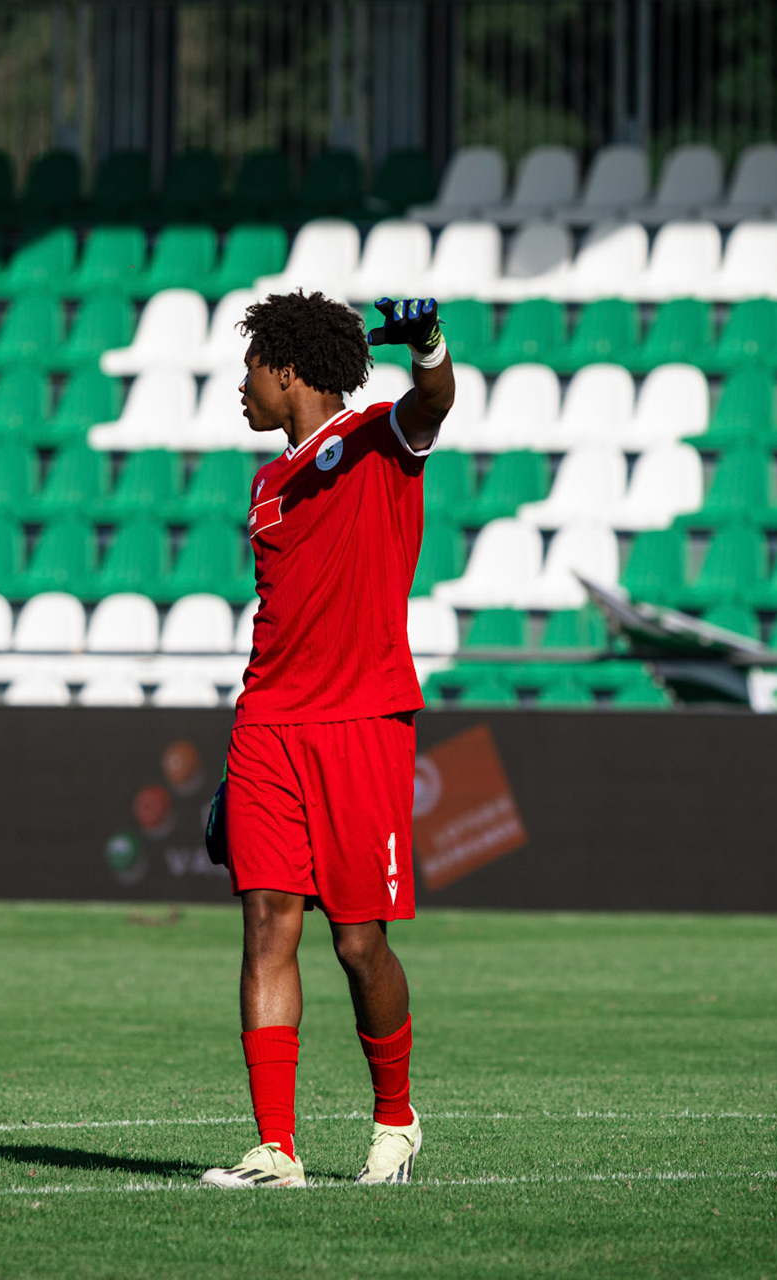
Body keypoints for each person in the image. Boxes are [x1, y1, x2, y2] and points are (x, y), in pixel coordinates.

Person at [199, 290, 455, 1189]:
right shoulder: (267, 486)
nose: (241, 388)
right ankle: (276, 1148)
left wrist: (426, 343)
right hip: (268, 725)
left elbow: (434, 405)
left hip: (362, 726)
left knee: (357, 945)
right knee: (267, 925)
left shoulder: (380, 437)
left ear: (287, 371)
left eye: (250, 370)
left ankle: (396, 1119)